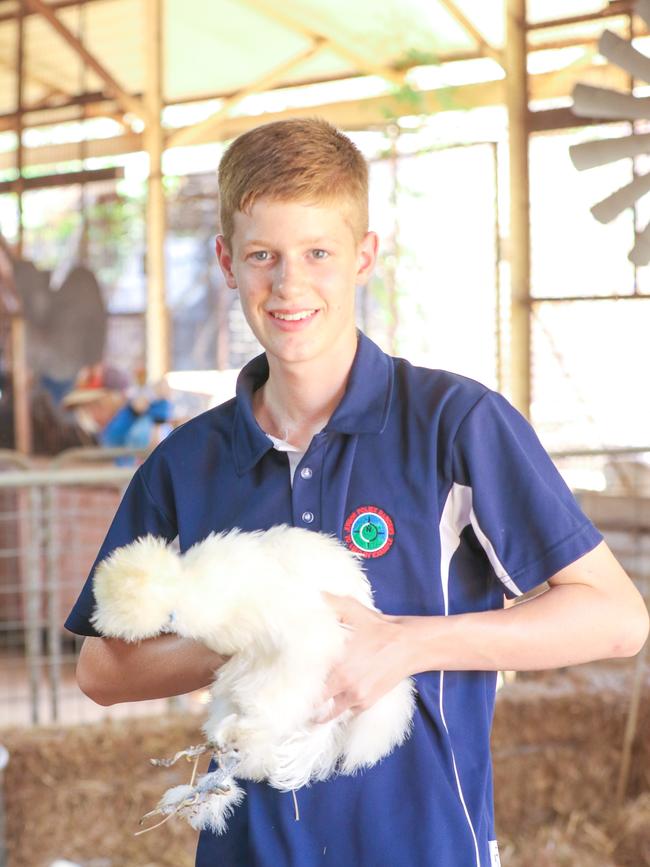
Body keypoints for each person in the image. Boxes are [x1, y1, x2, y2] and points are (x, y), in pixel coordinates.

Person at [65, 118, 649, 867]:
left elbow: (617, 618)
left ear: (364, 255)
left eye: (318, 253)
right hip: (249, 851)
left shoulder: (455, 425)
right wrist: (266, 635)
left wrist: (405, 644)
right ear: (226, 262)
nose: (289, 284)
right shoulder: (186, 462)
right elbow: (100, 670)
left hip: (424, 844)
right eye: (262, 256)